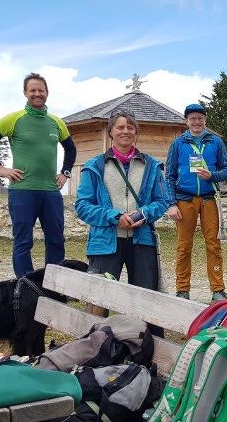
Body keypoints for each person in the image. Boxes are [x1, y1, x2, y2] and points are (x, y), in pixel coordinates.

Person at [74, 110, 169, 336]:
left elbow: (163, 200)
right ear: (110, 133)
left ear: (136, 132)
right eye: (120, 127)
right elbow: (83, 205)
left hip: (142, 240)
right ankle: (94, 346)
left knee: (146, 298)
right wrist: (114, 216)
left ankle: (148, 349)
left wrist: (143, 214)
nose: (125, 131)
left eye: (130, 127)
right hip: (105, 242)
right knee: (99, 299)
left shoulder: (152, 166)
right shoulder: (94, 166)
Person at [0, 73, 77, 278]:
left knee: (56, 239)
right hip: (22, 190)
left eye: (41, 90)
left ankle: (53, 286)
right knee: (23, 241)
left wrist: (65, 173)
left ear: (47, 93)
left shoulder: (56, 122)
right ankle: (25, 286)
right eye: (33, 90)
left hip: (50, 191)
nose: (37, 93)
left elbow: (71, 149)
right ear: (25, 93)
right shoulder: (14, 119)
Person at [164, 103, 227, 301]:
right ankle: (182, 290)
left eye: (200, 118)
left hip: (210, 199)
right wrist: (171, 203)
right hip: (185, 199)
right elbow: (169, 175)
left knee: (213, 244)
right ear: (186, 121)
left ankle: (218, 290)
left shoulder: (216, 142)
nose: (196, 122)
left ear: (205, 120)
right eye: (192, 118)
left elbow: (226, 171)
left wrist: (212, 176)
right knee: (184, 246)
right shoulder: (178, 144)